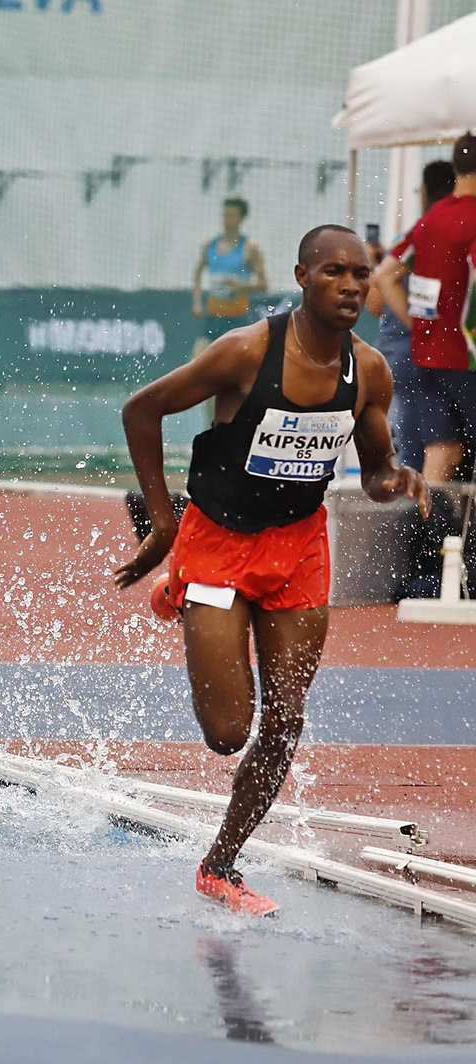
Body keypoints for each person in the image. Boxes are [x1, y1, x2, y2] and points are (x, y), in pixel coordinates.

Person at [117, 225, 429, 916]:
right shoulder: (247, 351)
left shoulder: (370, 370)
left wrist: (395, 480)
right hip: (218, 541)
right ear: (302, 277)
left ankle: (220, 866)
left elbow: (375, 472)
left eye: (361, 274)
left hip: (300, 548)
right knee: (228, 731)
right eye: (334, 272)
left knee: (285, 718)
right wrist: (164, 523)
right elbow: (141, 410)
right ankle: (190, 590)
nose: (351, 285)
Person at [373, 133, 476, 484]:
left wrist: (420, 325)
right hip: (467, 360)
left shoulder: (430, 220)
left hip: (425, 356)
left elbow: (385, 276)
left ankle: (422, 536)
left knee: (441, 451)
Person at [192, 198, 268, 357]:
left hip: (237, 318)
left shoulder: (249, 247)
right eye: (225, 215)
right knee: (196, 361)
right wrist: (197, 302)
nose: (226, 220)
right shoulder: (210, 245)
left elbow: (263, 284)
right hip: (214, 317)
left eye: (231, 215)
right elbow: (198, 273)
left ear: (241, 218)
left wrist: (240, 286)